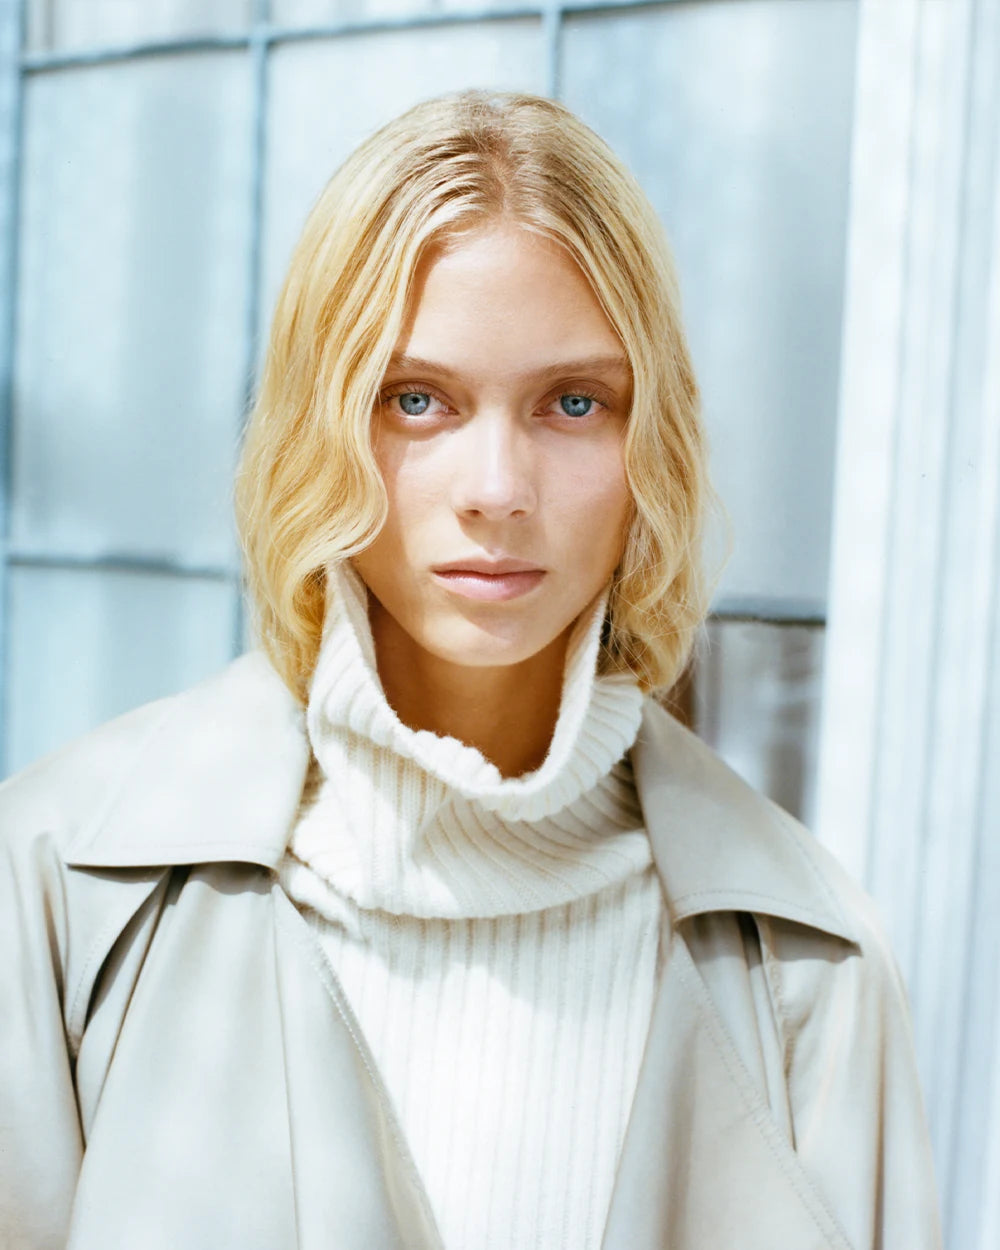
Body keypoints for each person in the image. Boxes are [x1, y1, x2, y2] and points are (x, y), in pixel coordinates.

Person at [0, 91, 940, 1250]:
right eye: (416, 400)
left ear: (653, 441)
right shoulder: (52, 889)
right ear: (318, 422)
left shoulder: (813, 962)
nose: (497, 487)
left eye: (573, 403)